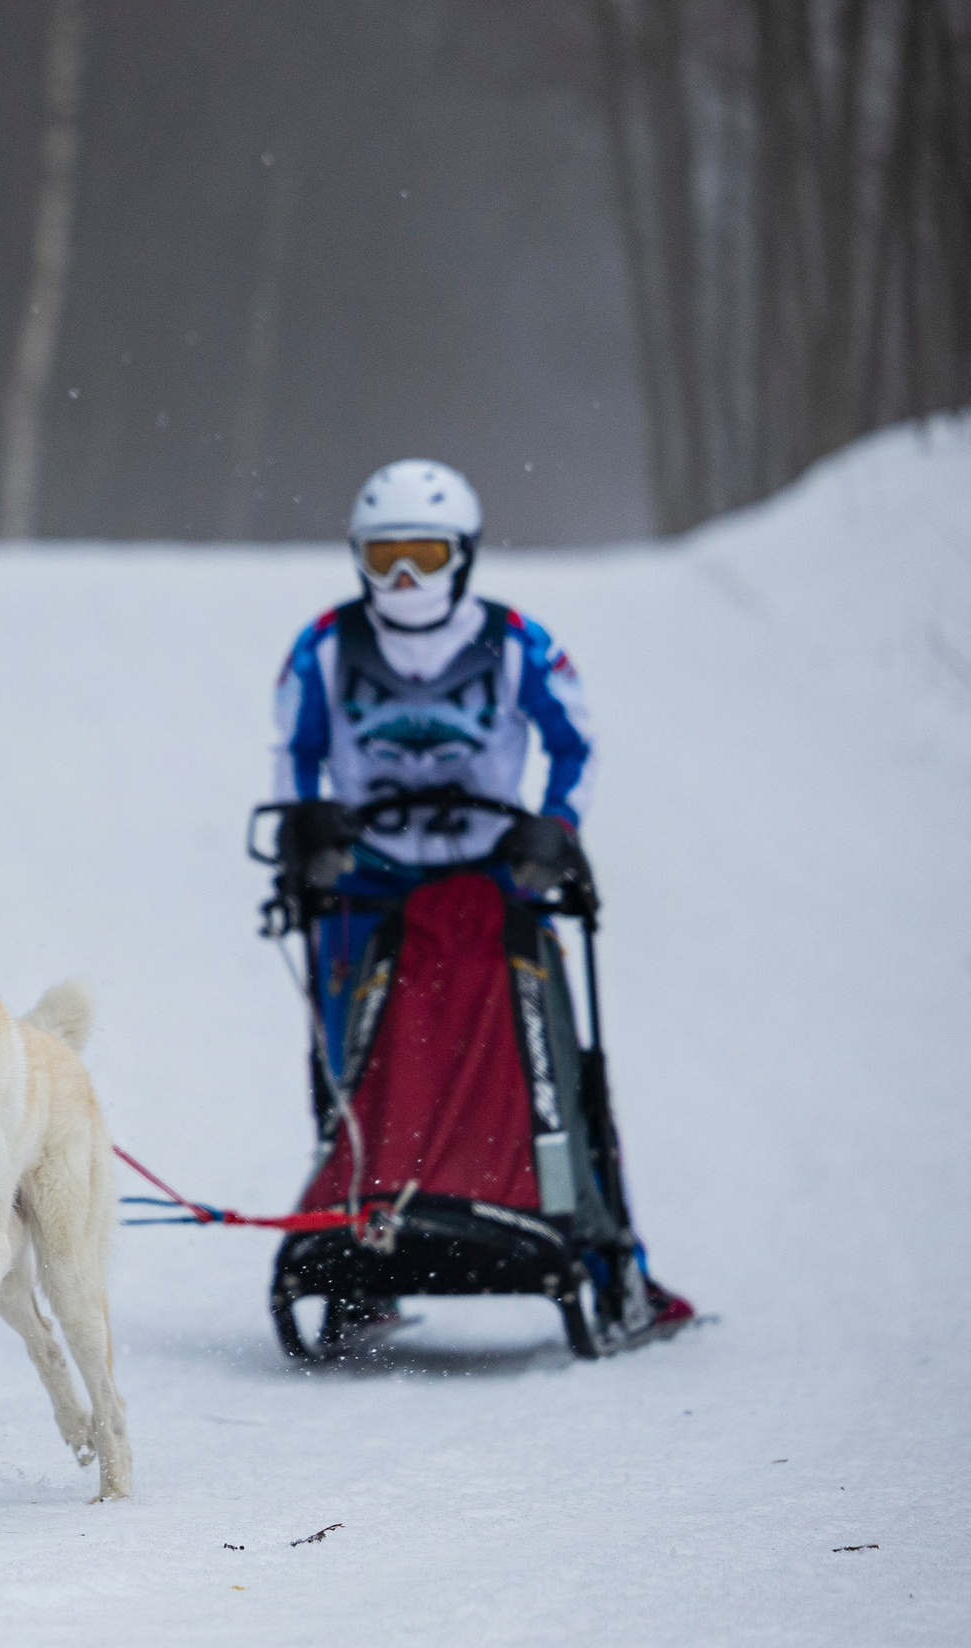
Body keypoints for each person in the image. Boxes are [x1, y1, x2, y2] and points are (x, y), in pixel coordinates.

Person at [269, 458, 689, 1331]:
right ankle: (363, 1258)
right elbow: (293, 753)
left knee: (552, 1066)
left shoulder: (522, 641)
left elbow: (576, 745)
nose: (405, 578)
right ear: (358, 559)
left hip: (495, 882)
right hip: (366, 887)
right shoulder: (322, 644)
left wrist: (556, 824)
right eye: (385, 558)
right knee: (353, 1068)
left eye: (423, 554)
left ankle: (613, 1257)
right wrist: (305, 829)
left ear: (463, 554)